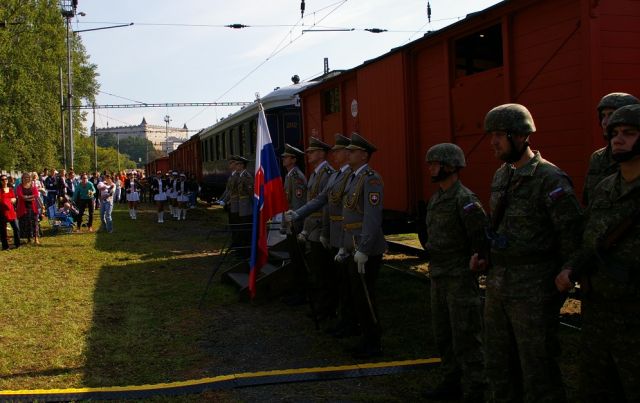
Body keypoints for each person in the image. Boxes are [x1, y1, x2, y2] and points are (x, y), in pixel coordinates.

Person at [471, 103, 582, 403]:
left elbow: (572, 233)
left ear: (520, 136)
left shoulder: (550, 178)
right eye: (491, 135)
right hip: (499, 286)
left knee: (537, 368)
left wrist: (568, 271)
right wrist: (484, 254)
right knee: (498, 363)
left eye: (499, 135)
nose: (492, 142)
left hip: (534, 290)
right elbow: (497, 225)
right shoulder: (501, 176)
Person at [556, 104, 640, 402]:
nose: (618, 139)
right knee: (595, 389)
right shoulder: (604, 189)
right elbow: (589, 241)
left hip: (634, 318)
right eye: (614, 133)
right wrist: (570, 268)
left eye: (629, 133)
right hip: (596, 314)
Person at [421, 143, 485, 402]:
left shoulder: (465, 200)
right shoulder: (437, 199)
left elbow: (479, 239)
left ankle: (475, 389)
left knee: (466, 337)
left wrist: (474, 262)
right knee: (444, 335)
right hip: (439, 276)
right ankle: (451, 383)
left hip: (459, 279)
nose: (430, 168)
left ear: (450, 166)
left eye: (435, 164)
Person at [287, 134, 356, 333]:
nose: (308, 155)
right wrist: (300, 217)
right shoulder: (330, 175)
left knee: (335, 277)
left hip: (335, 231)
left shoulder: (333, 174)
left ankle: (338, 314)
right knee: (324, 273)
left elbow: (333, 208)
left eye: (312, 152)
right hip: (323, 229)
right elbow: (319, 201)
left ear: (320, 154)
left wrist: (321, 230)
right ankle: (329, 310)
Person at [340, 133, 386, 359]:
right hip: (353, 244)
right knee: (357, 295)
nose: (347, 154)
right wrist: (344, 246)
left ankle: (373, 343)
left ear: (364, 155)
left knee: (366, 296)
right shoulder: (353, 177)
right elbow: (348, 215)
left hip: (365, 248)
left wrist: (364, 249)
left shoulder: (371, 179)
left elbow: (372, 217)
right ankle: (365, 337)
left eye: (352, 151)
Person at [583, 92, 639, 205]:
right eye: (603, 116)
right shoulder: (598, 158)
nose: (605, 122)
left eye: (612, 114)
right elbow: (588, 201)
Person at [281, 143, 307, 234]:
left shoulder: (296, 177)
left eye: (286, 157)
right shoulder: (289, 175)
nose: (283, 159)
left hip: (294, 221)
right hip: (289, 219)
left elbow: (298, 202)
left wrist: (295, 222)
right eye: (283, 157)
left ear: (294, 160)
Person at [235, 156, 254, 255]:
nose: (236, 166)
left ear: (242, 165)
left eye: (237, 164)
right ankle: (243, 250)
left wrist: (254, 207)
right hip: (242, 207)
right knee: (243, 229)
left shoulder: (246, 176)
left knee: (246, 229)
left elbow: (251, 193)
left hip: (247, 207)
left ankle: (247, 251)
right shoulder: (241, 176)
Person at [16, 172, 41, 245]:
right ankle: (29, 238)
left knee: (34, 223)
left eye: (28, 177)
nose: (26, 179)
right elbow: (20, 196)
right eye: (24, 177)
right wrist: (29, 197)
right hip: (23, 208)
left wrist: (26, 197)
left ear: (30, 178)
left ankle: (36, 238)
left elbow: (36, 194)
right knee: (26, 223)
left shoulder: (33, 186)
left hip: (32, 208)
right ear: (22, 179)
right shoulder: (19, 186)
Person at [0, 174, 20, 250]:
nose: (4, 181)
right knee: (3, 230)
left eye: (6, 179)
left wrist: (12, 200)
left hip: (11, 212)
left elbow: (14, 199)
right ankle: (5, 246)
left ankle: (17, 244)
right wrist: (9, 200)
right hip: (2, 212)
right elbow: (2, 201)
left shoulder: (11, 189)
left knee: (16, 228)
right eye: (2, 180)